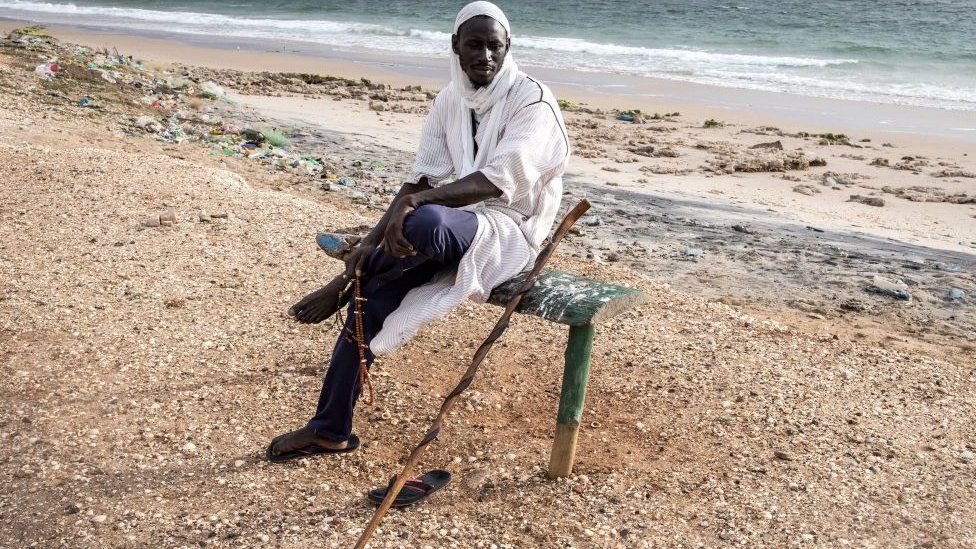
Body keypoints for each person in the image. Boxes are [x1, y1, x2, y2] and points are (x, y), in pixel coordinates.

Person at [267, 1, 570, 461]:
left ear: (508, 48)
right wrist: (372, 239)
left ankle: (345, 284)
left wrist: (413, 206)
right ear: (455, 46)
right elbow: (420, 179)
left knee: (421, 221)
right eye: (475, 44)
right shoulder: (451, 100)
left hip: (509, 231)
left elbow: (497, 181)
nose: (485, 55)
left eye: (495, 46)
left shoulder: (533, 100)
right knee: (372, 303)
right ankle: (329, 428)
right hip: (451, 226)